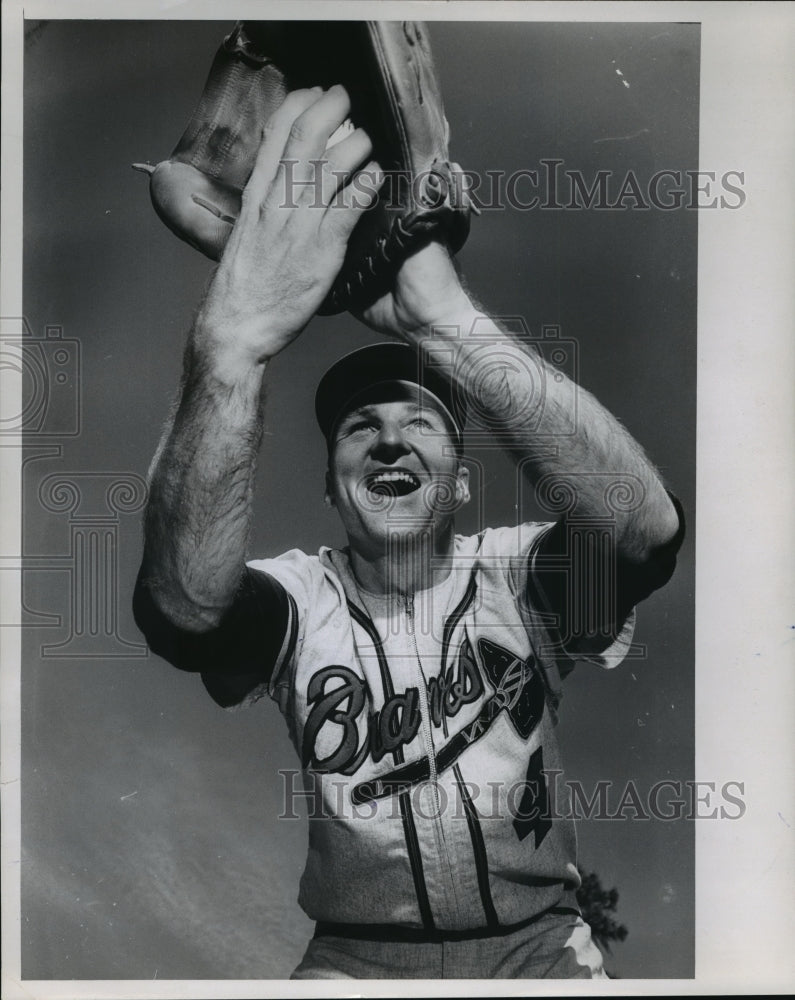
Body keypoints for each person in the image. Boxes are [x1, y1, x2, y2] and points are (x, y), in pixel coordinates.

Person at [133, 85, 684, 979]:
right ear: (329, 484)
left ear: (462, 482)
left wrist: (446, 321)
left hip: (538, 951)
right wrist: (231, 342)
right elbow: (184, 611)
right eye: (359, 427)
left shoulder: (516, 579)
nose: (388, 434)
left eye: (421, 422)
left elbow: (641, 534)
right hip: (356, 962)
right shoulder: (298, 599)